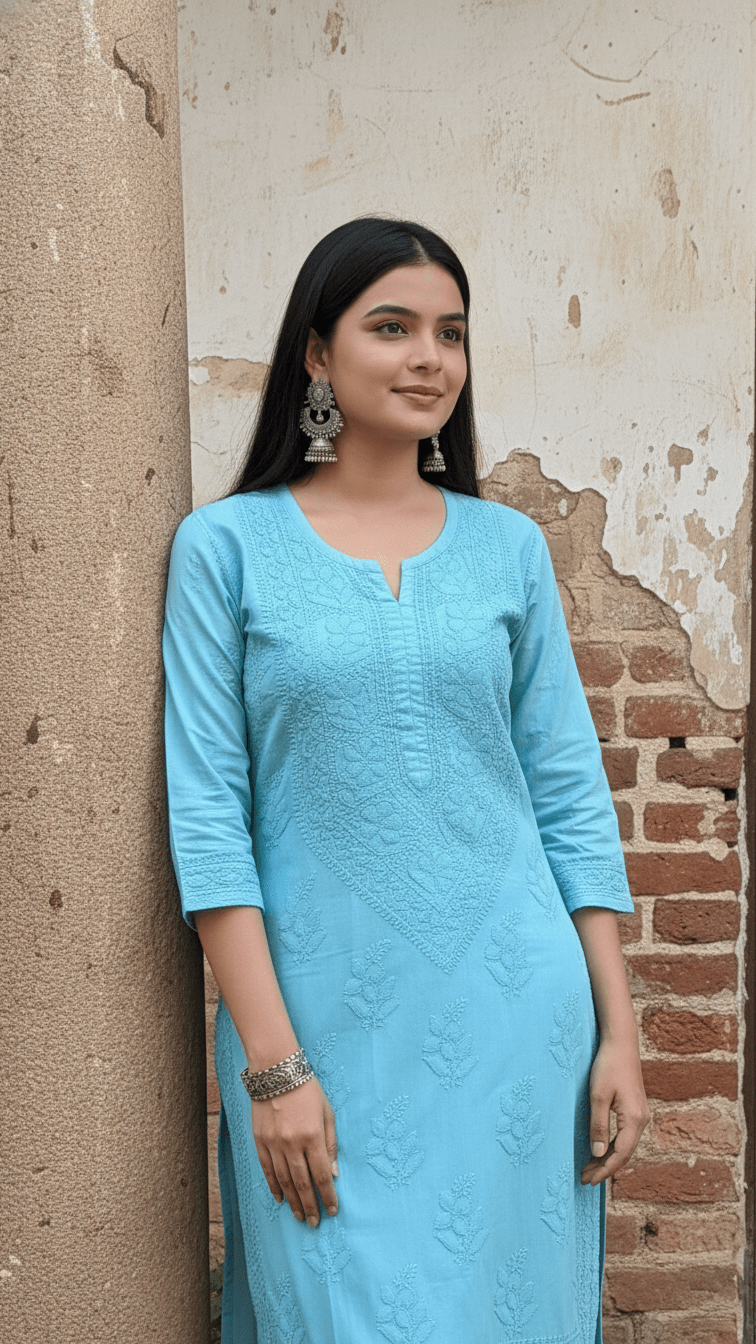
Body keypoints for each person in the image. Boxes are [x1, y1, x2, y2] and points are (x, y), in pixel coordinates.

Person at [162, 216, 650, 1344]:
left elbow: (570, 797)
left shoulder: (507, 550)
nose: (430, 357)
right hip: (319, 1025)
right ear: (317, 355)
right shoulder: (223, 548)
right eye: (392, 327)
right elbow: (207, 819)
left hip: (519, 1022)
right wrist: (274, 1070)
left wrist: (616, 1032)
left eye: (451, 332)